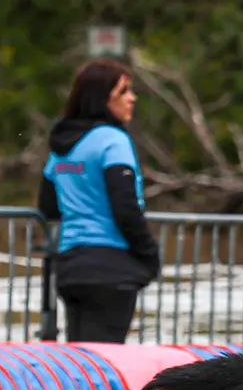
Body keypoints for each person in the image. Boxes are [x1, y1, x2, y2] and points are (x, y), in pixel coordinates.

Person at [37, 59, 159, 342]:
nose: (133, 98)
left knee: (82, 363)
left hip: (70, 267)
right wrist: (149, 255)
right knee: (104, 364)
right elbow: (125, 206)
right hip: (110, 267)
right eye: (124, 91)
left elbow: (47, 205)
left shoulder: (62, 147)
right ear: (102, 98)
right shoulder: (112, 140)